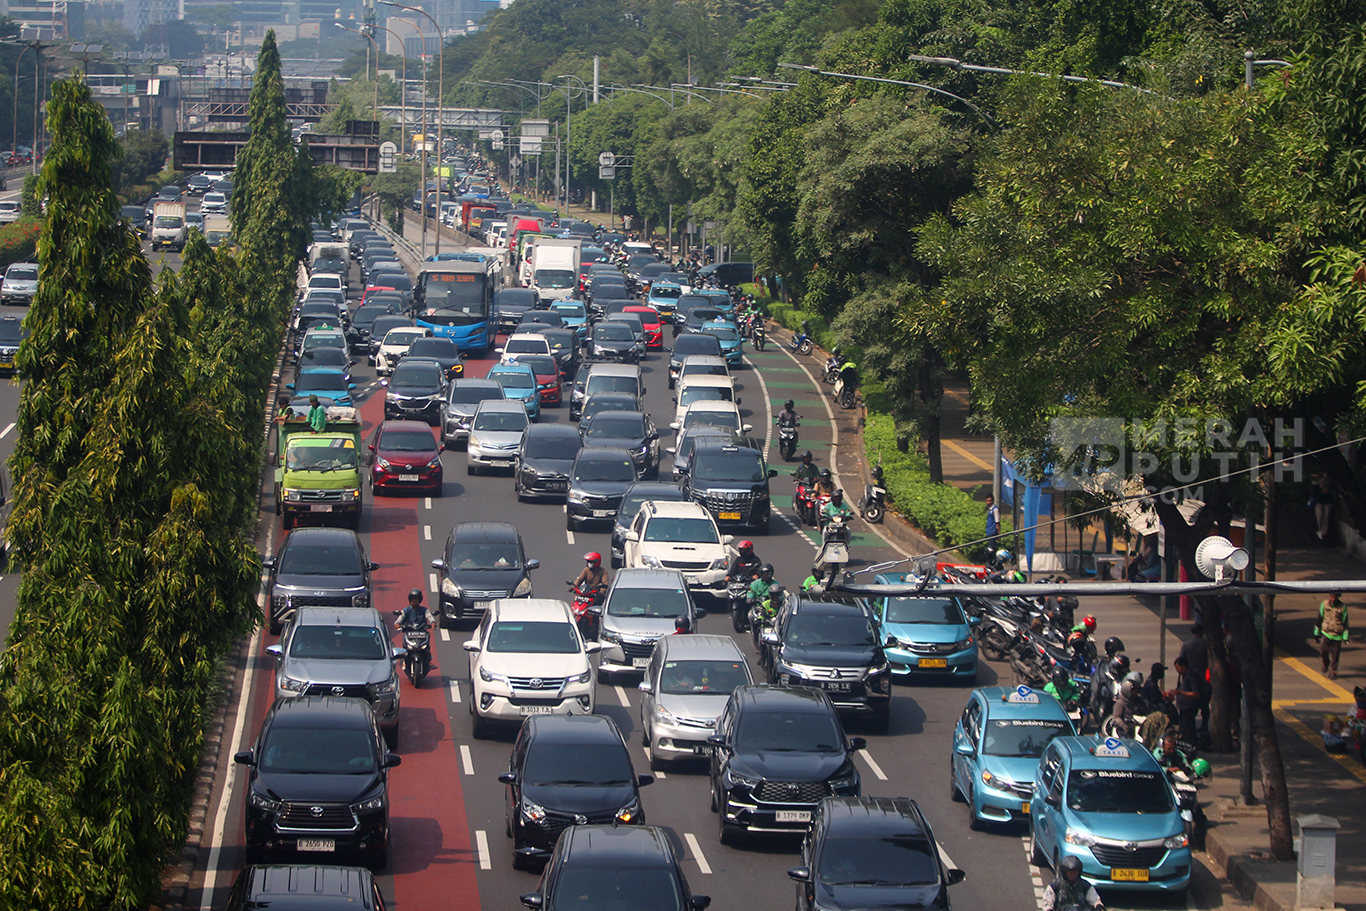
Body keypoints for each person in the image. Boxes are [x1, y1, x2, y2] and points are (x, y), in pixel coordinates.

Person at [1179, 622, 1211, 729]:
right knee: (1204, 703)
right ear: (1201, 632)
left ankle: (1190, 726)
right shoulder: (1206, 645)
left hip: (1189, 678)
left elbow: (1181, 661)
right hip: (1204, 678)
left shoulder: (1186, 646)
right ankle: (1204, 725)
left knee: (1190, 704)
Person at [1167, 656, 1202, 747]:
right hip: (1183, 708)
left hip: (1189, 708)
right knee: (1184, 729)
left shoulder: (1192, 677)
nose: (1177, 670)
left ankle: (1191, 746)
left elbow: (1196, 694)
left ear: (1183, 667)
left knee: (1189, 730)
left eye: (1178, 668)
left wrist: (1181, 692)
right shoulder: (1183, 677)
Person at [1316, 591, 1349, 679]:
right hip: (1326, 632)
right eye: (1332, 597)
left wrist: (1345, 637)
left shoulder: (1343, 607)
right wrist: (1317, 632)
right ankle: (1326, 664)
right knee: (1324, 651)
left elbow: (1345, 621)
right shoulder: (1324, 604)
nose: (1333, 599)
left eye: (1335, 597)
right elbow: (1320, 618)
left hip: (1337, 634)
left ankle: (1333, 672)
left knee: (1335, 655)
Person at [1309, 476, 1333, 541]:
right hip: (1319, 502)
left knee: (1327, 514)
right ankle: (1319, 529)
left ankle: (1324, 531)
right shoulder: (1316, 486)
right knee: (1320, 514)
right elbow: (1314, 495)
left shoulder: (1329, 486)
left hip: (1327, 502)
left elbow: (1330, 495)